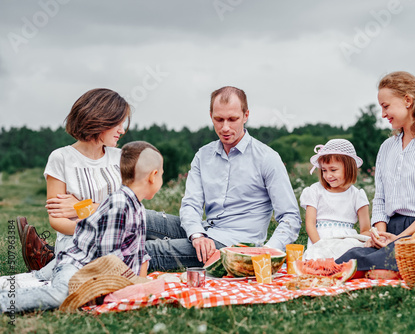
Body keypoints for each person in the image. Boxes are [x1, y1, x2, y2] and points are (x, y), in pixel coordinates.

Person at [145, 86, 302, 271]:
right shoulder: (203, 155)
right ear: (211, 115)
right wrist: (197, 235)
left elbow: (291, 217)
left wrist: (267, 252)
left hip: (234, 245)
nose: (225, 127)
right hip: (204, 231)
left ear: (246, 115)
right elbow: (190, 205)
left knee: (151, 251)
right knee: (138, 217)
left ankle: (107, 272)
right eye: (219, 119)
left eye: (233, 119)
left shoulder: (267, 158)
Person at [0, 141, 163, 313]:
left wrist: (140, 284)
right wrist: (126, 284)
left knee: (43, 283)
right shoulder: (119, 204)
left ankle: (35, 278)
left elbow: (140, 251)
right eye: (162, 174)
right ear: (153, 176)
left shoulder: (137, 206)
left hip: (93, 269)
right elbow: (109, 257)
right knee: (61, 295)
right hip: (79, 267)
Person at [336, 71, 415, 279]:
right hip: (391, 228)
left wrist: (399, 238)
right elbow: (381, 199)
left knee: (378, 269)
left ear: (407, 101)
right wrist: (380, 234)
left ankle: (390, 267)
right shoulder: (386, 148)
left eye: (386, 106)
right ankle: (385, 264)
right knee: (346, 259)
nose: (383, 114)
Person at [12, 88, 130, 288]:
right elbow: (57, 220)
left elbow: (128, 207)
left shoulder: (120, 157)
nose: (122, 130)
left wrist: (85, 209)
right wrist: (94, 231)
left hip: (117, 237)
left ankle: (47, 260)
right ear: (100, 120)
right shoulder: (61, 158)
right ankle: (50, 266)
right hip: (74, 239)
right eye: (117, 123)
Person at [300, 139, 371, 260]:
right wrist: (320, 247)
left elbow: (365, 230)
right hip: (320, 241)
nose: (328, 175)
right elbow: (310, 225)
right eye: (324, 170)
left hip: (346, 244)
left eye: (333, 170)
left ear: (349, 168)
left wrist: (354, 245)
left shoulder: (357, 195)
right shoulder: (315, 191)